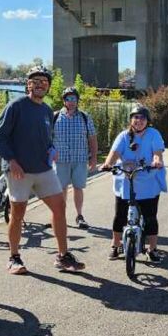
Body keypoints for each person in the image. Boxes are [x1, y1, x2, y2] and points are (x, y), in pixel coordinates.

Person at [0, 65, 86, 275]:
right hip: (19, 171)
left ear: (48, 86)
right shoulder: (16, 106)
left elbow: (47, 137)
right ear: (28, 85)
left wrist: (51, 148)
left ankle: (63, 256)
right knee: (17, 214)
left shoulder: (46, 110)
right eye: (35, 81)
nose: (39, 85)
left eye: (44, 82)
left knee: (59, 208)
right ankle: (14, 258)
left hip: (43, 169)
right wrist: (12, 161)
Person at [100, 105, 167, 261]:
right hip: (127, 179)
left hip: (148, 180)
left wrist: (157, 161)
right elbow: (114, 152)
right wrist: (108, 164)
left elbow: (157, 152)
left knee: (150, 217)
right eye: (135, 117)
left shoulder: (153, 134)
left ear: (147, 121)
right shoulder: (124, 136)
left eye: (142, 118)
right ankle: (115, 245)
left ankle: (152, 249)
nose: (139, 121)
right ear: (131, 120)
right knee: (120, 216)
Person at [52, 86, 98, 230]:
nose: (71, 102)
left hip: (80, 158)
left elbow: (92, 138)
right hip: (60, 160)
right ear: (64, 101)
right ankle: (60, 216)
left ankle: (79, 216)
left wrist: (94, 158)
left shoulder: (85, 117)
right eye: (68, 99)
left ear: (77, 100)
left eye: (74, 99)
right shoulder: (55, 117)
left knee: (78, 187)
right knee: (61, 189)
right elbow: (47, 139)